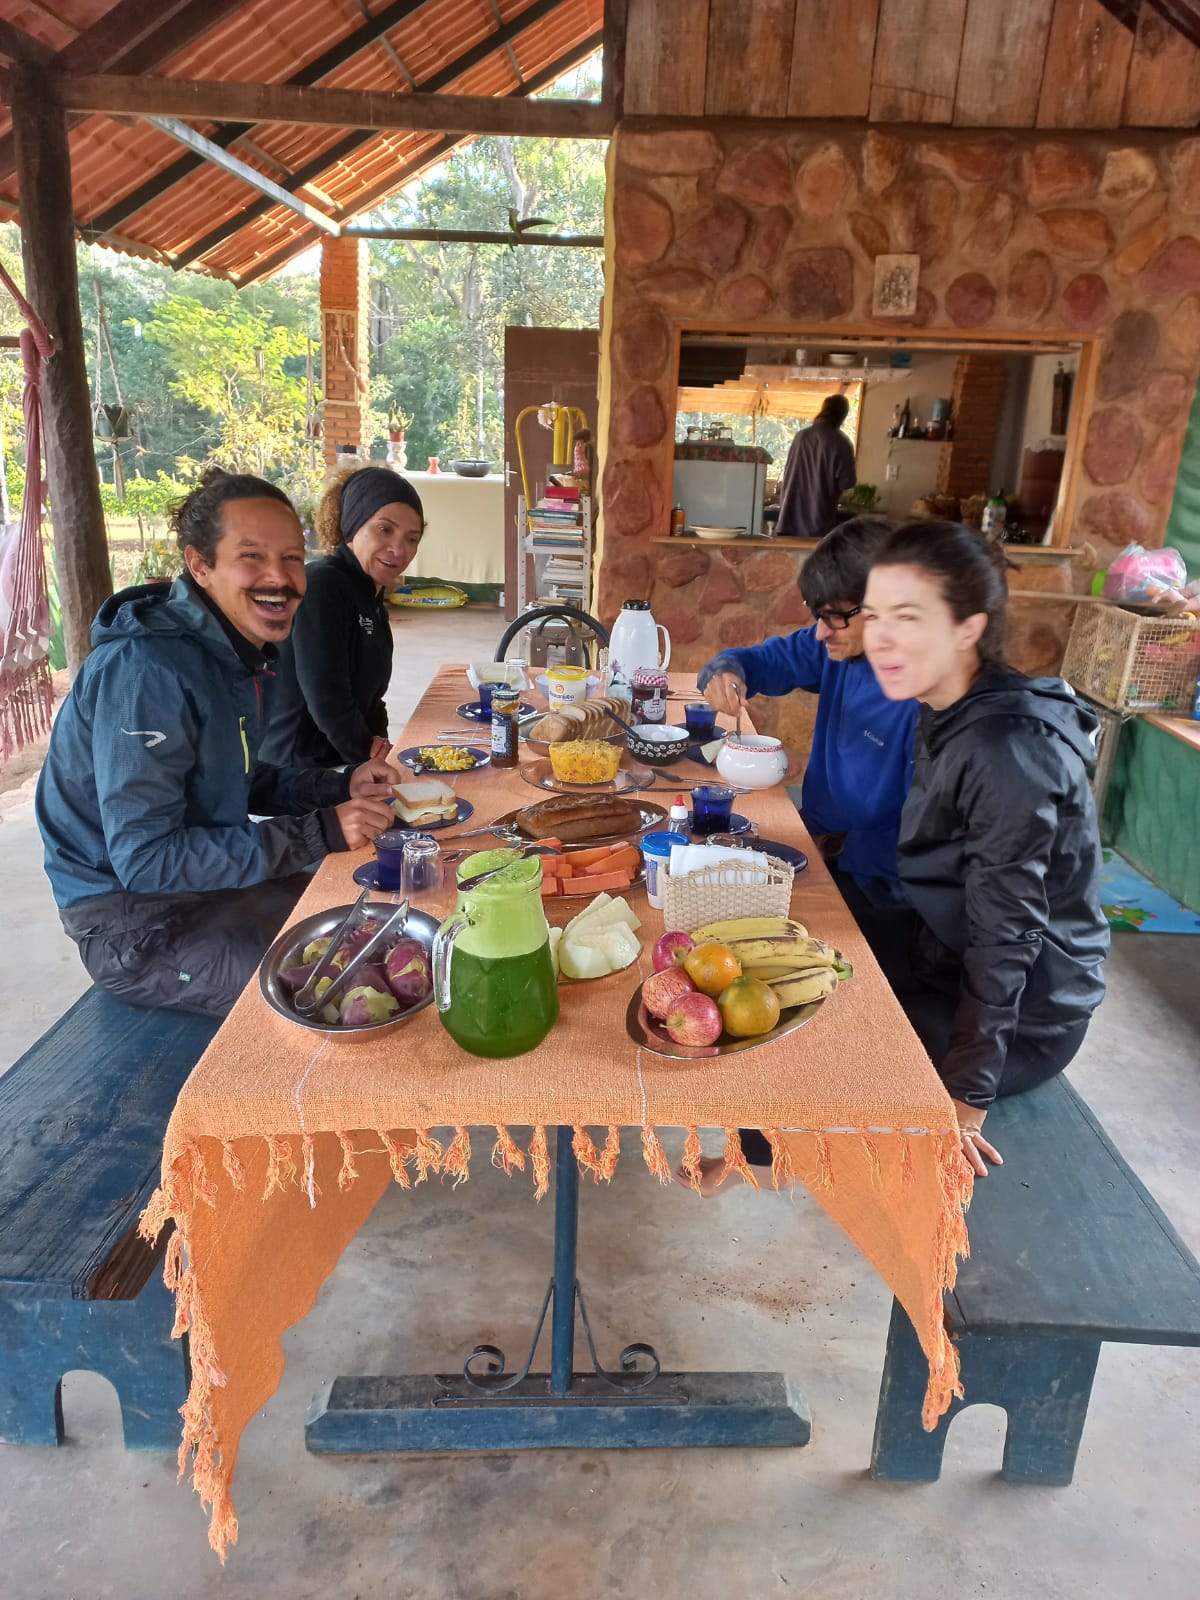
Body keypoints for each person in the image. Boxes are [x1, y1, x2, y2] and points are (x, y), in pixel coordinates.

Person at [35, 469, 399, 1018]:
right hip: (136, 923)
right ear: (200, 565)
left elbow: (245, 782)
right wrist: (318, 830)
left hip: (206, 889)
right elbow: (147, 860)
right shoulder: (147, 671)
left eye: (293, 558)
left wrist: (339, 782)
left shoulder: (238, 656)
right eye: (251, 556)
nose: (279, 577)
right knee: (339, 996)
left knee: (378, 926)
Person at [860, 520, 1110, 1176]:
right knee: (806, 944)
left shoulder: (1005, 751)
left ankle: (752, 1156)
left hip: (1029, 1015)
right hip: (946, 947)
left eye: (907, 616)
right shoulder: (947, 703)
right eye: (874, 613)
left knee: (837, 1045)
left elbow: (1008, 936)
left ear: (968, 628)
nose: (879, 635)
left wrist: (967, 1096)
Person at [697, 515, 916, 909]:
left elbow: (922, 841)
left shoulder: (925, 699)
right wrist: (724, 671)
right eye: (818, 615)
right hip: (819, 846)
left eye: (834, 617)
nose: (820, 632)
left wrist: (829, 849)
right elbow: (762, 660)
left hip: (881, 889)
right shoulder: (836, 647)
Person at [260, 463, 424, 768]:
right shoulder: (322, 586)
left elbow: (374, 700)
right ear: (353, 525)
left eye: (411, 538)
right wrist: (366, 759)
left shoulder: (371, 594)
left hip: (341, 761)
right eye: (384, 529)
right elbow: (328, 699)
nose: (398, 549)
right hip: (298, 774)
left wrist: (379, 748)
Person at [774, 393, 857, 540]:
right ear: (842, 416)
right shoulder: (841, 443)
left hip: (788, 520)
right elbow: (847, 482)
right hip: (819, 524)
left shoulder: (801, 437)